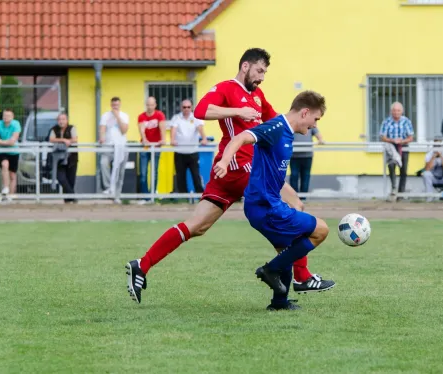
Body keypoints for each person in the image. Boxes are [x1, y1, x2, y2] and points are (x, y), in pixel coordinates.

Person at [125, 48, 334, 304]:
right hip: (236, 166)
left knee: (196, 226)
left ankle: (142, 264)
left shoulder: (257, 96)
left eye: (265, 73)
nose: (262, 77)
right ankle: (301, 277)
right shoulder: (227, 88)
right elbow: (201, 110)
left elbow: (279, 121)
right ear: (245, 66)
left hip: (236, 171)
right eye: (259, 71)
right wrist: (235, 112)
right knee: (292, 207)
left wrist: (308, 121)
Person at [213, 91, 329, 310]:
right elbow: (240, 137)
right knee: (321, 229)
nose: (315, 125)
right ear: (305, 112)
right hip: (265, 207)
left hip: (264, 205)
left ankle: (279, 303)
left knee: (286, 247)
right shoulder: (276, 128)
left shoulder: (287, 132)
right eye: (316, 119)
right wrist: (225, 161)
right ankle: (270, 270)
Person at [169, 99, 207, 194]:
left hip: (192, 152)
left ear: (192, 108)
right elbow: (173, 129)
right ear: (181, 108)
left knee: (195, 175)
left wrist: (204, 138)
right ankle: (183, 197)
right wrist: (172, 140)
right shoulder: (176, 118)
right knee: (180, 176)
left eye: (188, 107)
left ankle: (199, 195)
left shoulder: (196, 118)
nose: (186, 109)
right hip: (180, 152)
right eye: (184, 107)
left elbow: (200, 128)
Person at [99, 97, 129, 202]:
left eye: (117, 105)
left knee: (120, 171)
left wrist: (117, 117)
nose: (115, 107)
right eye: (113, 105)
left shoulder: (124, 116)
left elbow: (124, 130)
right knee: (103, 163)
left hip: (121, 145)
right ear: (111, 105)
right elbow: (102, 128)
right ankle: (108, 187)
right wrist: (101, 136)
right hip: (108, 145)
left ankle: (117, 195)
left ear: (120, 105)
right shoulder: (105, 115)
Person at [137, 97, 166, 203]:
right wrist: (144, 140)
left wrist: (163, 139)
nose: (150, 107)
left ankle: (152, 195)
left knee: (154, 172)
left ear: (155, 105)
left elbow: (162, 128)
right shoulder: (141, 116)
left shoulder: (159, 115)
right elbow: (141, 130)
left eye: (151, 104)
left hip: (156, 147)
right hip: (145, 148)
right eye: (148, 105)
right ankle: (146, 197)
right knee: (143, 173)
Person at [49, 113, 78, 203]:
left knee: (71, 180)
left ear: (67, 120)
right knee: (61, 178)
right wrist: (64, 140)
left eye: (63, 119)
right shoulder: (54, 129)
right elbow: (51, 139)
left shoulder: (72, 128)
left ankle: (68, 200)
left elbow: (75, 139)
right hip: (58, 159)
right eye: (59, 119)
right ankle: (73, 196)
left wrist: (68, 141)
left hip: (71, 158)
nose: (61, 121)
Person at [0, 109, 21, 198]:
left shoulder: (16, 124)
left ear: (12, 117)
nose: (6, 117)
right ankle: (5, 187)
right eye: (4, 115)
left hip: (14, 151)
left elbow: (13, 140)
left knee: (12, 175)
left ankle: (11, 196)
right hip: (2, 151)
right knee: (5, 164)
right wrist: (6, 142)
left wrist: (1, 142)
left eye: (8, 116)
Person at [290, 126, 324, 198]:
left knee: (305, 176)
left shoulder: (310, 124)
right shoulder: (294, 124)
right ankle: (294, 197)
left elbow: (319, 136)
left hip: (307, 155)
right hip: (294, 155)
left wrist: (320, 140)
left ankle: (303, 197)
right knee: (294, 175)